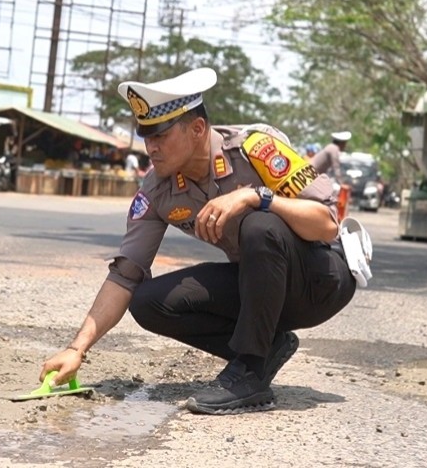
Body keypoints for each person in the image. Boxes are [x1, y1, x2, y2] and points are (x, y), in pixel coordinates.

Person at [39, 68, 358, 415]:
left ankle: (249, 371)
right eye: (146, 136)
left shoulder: (255, 148)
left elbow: (328, 224)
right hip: (261, 289)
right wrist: (77, 349)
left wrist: (257, 197)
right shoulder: (158, 189)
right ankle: (268, 347)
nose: (151, 147)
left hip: (320, 280)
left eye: (160, 135)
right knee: (148, 301)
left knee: (260, 224)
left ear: (197, 129)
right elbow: (125, 274)